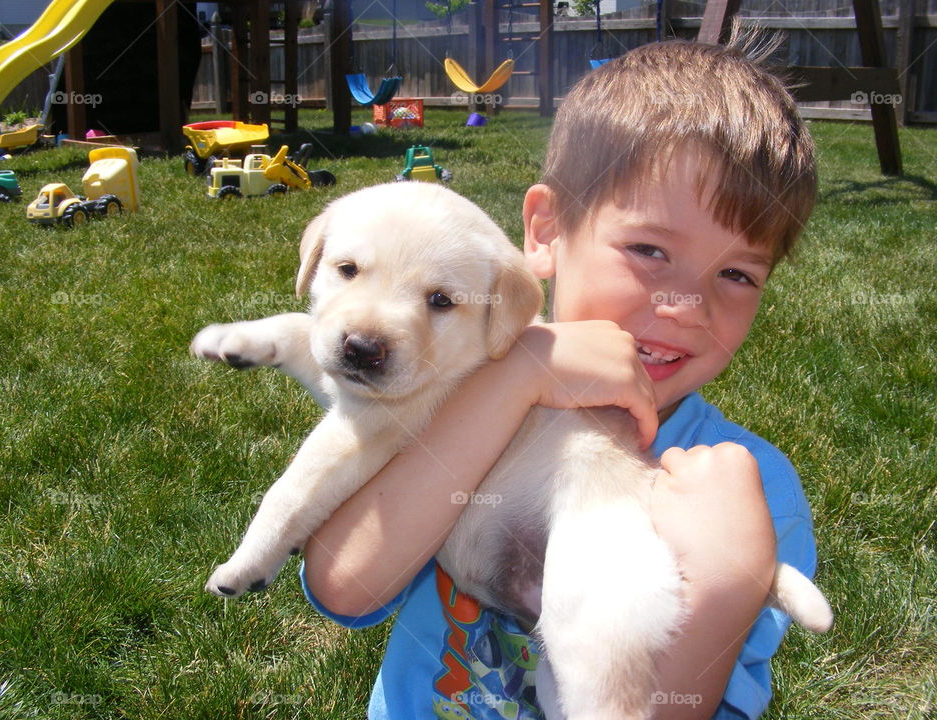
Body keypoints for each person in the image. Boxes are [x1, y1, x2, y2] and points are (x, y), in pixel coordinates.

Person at [301, 30, 820, 720]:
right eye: (648, 249)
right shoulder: (452, 388)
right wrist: (518, 375)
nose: (686, 307)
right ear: (545, 232)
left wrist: (727, 584)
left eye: (735, 273)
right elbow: (344, 583)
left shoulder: (750, 493)